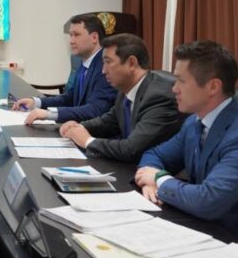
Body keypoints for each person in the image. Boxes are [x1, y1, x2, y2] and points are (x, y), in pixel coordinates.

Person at [136, 41, 238, 240]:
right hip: (203, 226)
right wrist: (151, 184)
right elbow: (155, 154)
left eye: (181, 81)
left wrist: (159, 179)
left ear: (213, 87)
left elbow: (207, 201)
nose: (174, 89)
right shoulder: (195, 122)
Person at [60, 33, 185, 162]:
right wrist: (78, 127)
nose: (103, 70)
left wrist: (88, 141)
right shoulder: (125, 89)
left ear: (131, 63)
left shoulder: (159, 97)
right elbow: (109, 122)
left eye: (108, 62)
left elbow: (132, 149)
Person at [11, 13, 117, 124]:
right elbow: (69, 98)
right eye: (70, 35)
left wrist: (50, 114)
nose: (71, 41)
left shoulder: (105, 66)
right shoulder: (84, 62)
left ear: (94, 37)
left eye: (76, 35)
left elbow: (95, 109)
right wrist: (36, 102)